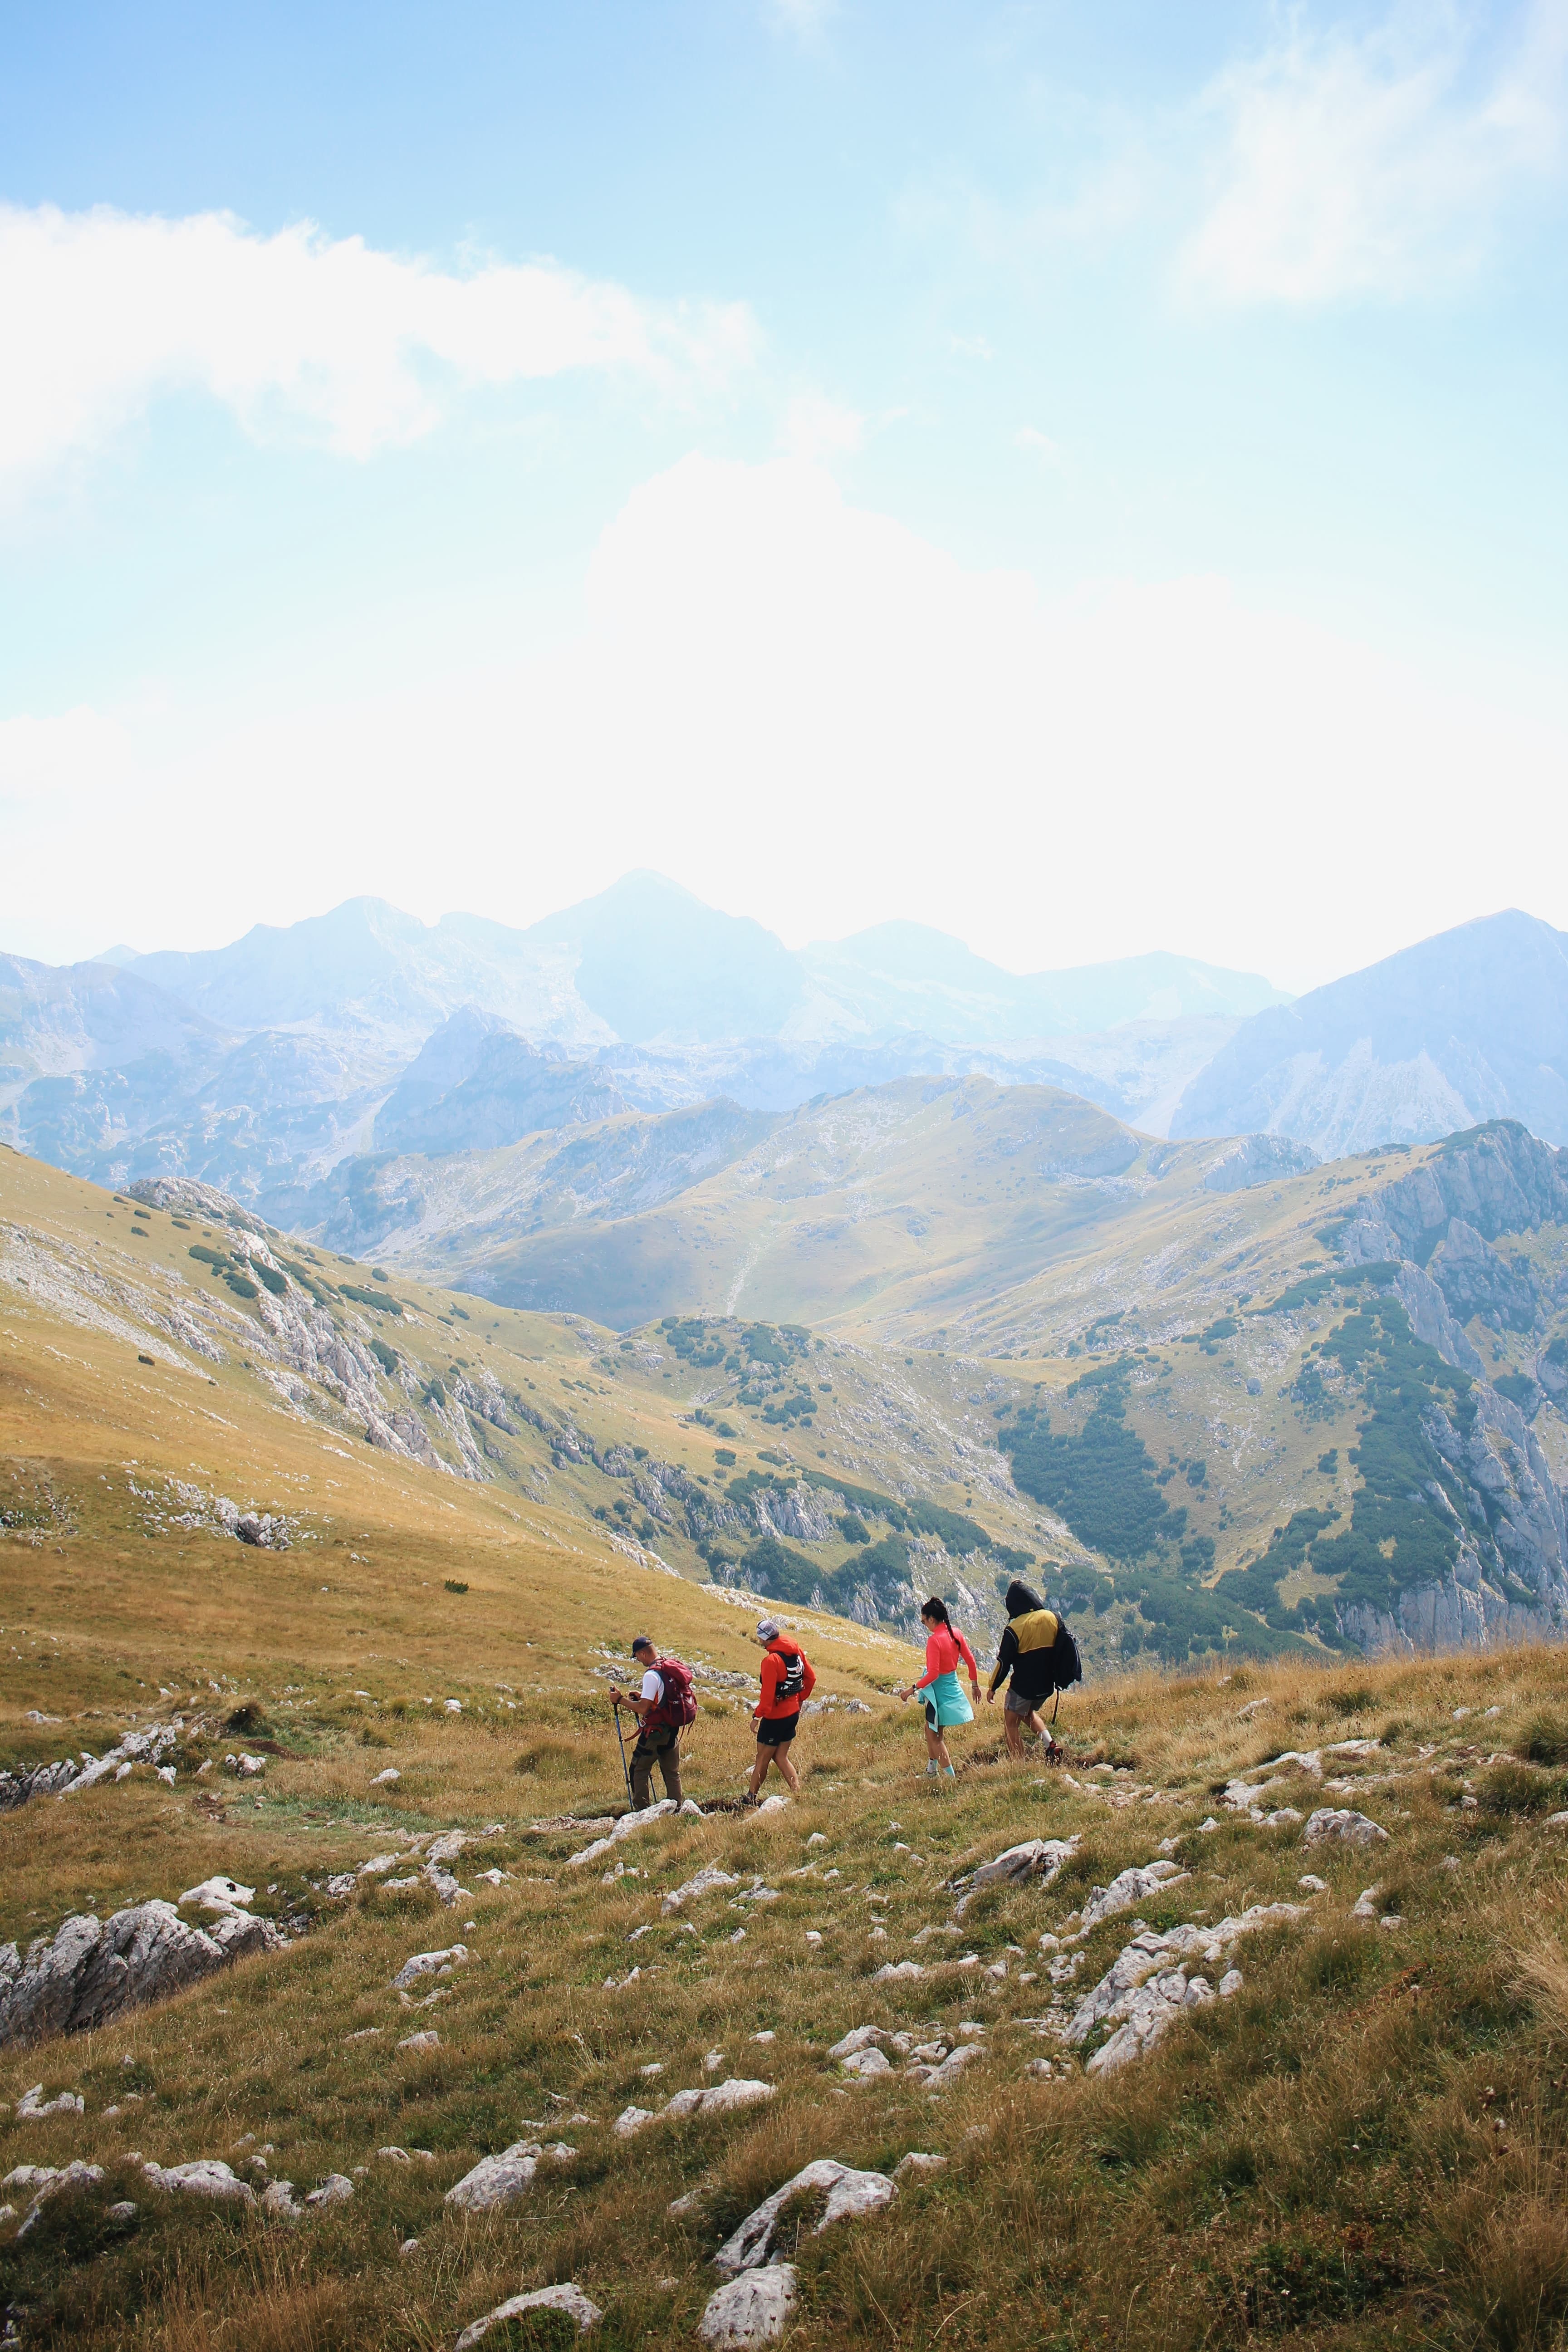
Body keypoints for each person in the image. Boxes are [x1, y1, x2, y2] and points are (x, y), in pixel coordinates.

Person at [897, 1597, 981, 1780]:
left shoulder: (934, 1640)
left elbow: (933, 1674)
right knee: (932, 1730)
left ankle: (950, 1778)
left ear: (931, 1619)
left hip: (937, 1692)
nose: (924, 1625)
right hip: (952, 1684)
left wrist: (913, 1688)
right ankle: (931, 1771)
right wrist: (974, 1686)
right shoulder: (956, 1633)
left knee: (934, 1735)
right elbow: (970, 1660)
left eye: (924, 1621)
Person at [985, 1580, 1065, 1760]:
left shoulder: (1014, 1628)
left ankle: (1019, 1764)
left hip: (1022, 1688)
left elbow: (1003, 1663)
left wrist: (993, 1687)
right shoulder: (1052, 1617)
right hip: (1046, 1686)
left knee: (1011, 1723)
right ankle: (1050, 1746)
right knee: (1027, 1713)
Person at [609, 1635, 684, 1810]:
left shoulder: (651, 1675)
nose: (638, 1660)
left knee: (638, 1769)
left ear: (643, 1654)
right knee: (671, 1772)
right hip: (672, 1728)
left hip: (656, 1732)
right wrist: (643, 1696)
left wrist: (619, 1700)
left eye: (637, 1656)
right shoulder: (667, 1666)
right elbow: (660, 1698)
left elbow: (643, 1709)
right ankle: (677, 1809)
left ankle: (642, 1812)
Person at [745, 1617, 814, 1802]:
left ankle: (750, 1798)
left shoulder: (771, 1661)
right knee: (781, 1756)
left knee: (762, 1758)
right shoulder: (796, 1651)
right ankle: (798, 1793)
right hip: (793, 1714)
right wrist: (800, 1699)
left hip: (775, 1718)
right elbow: (811, 1678)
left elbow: (767, 1699)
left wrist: (756, 1717)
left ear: (764, 1639)